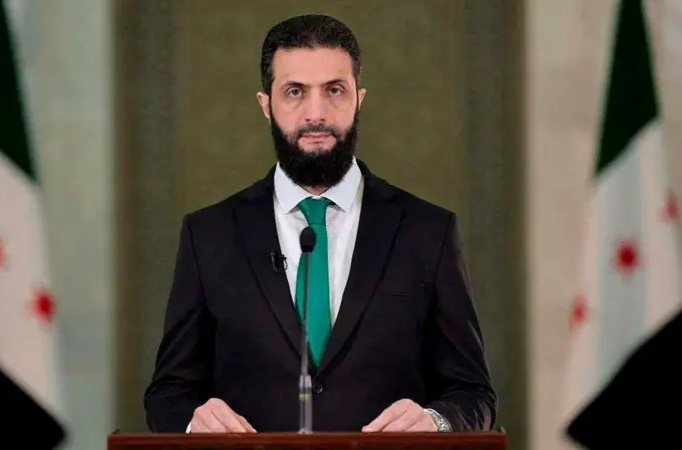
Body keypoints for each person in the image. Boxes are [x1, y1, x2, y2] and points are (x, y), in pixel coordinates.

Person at [143, 13, 497, 434]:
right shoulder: (209, 234)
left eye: (334, 90)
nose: (316, 113)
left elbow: (474, 394)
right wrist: (192, 420)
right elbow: (168, 393)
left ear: (359, 99)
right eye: (295, 92)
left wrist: (437, 421)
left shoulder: (428, 231)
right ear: (266, 104)